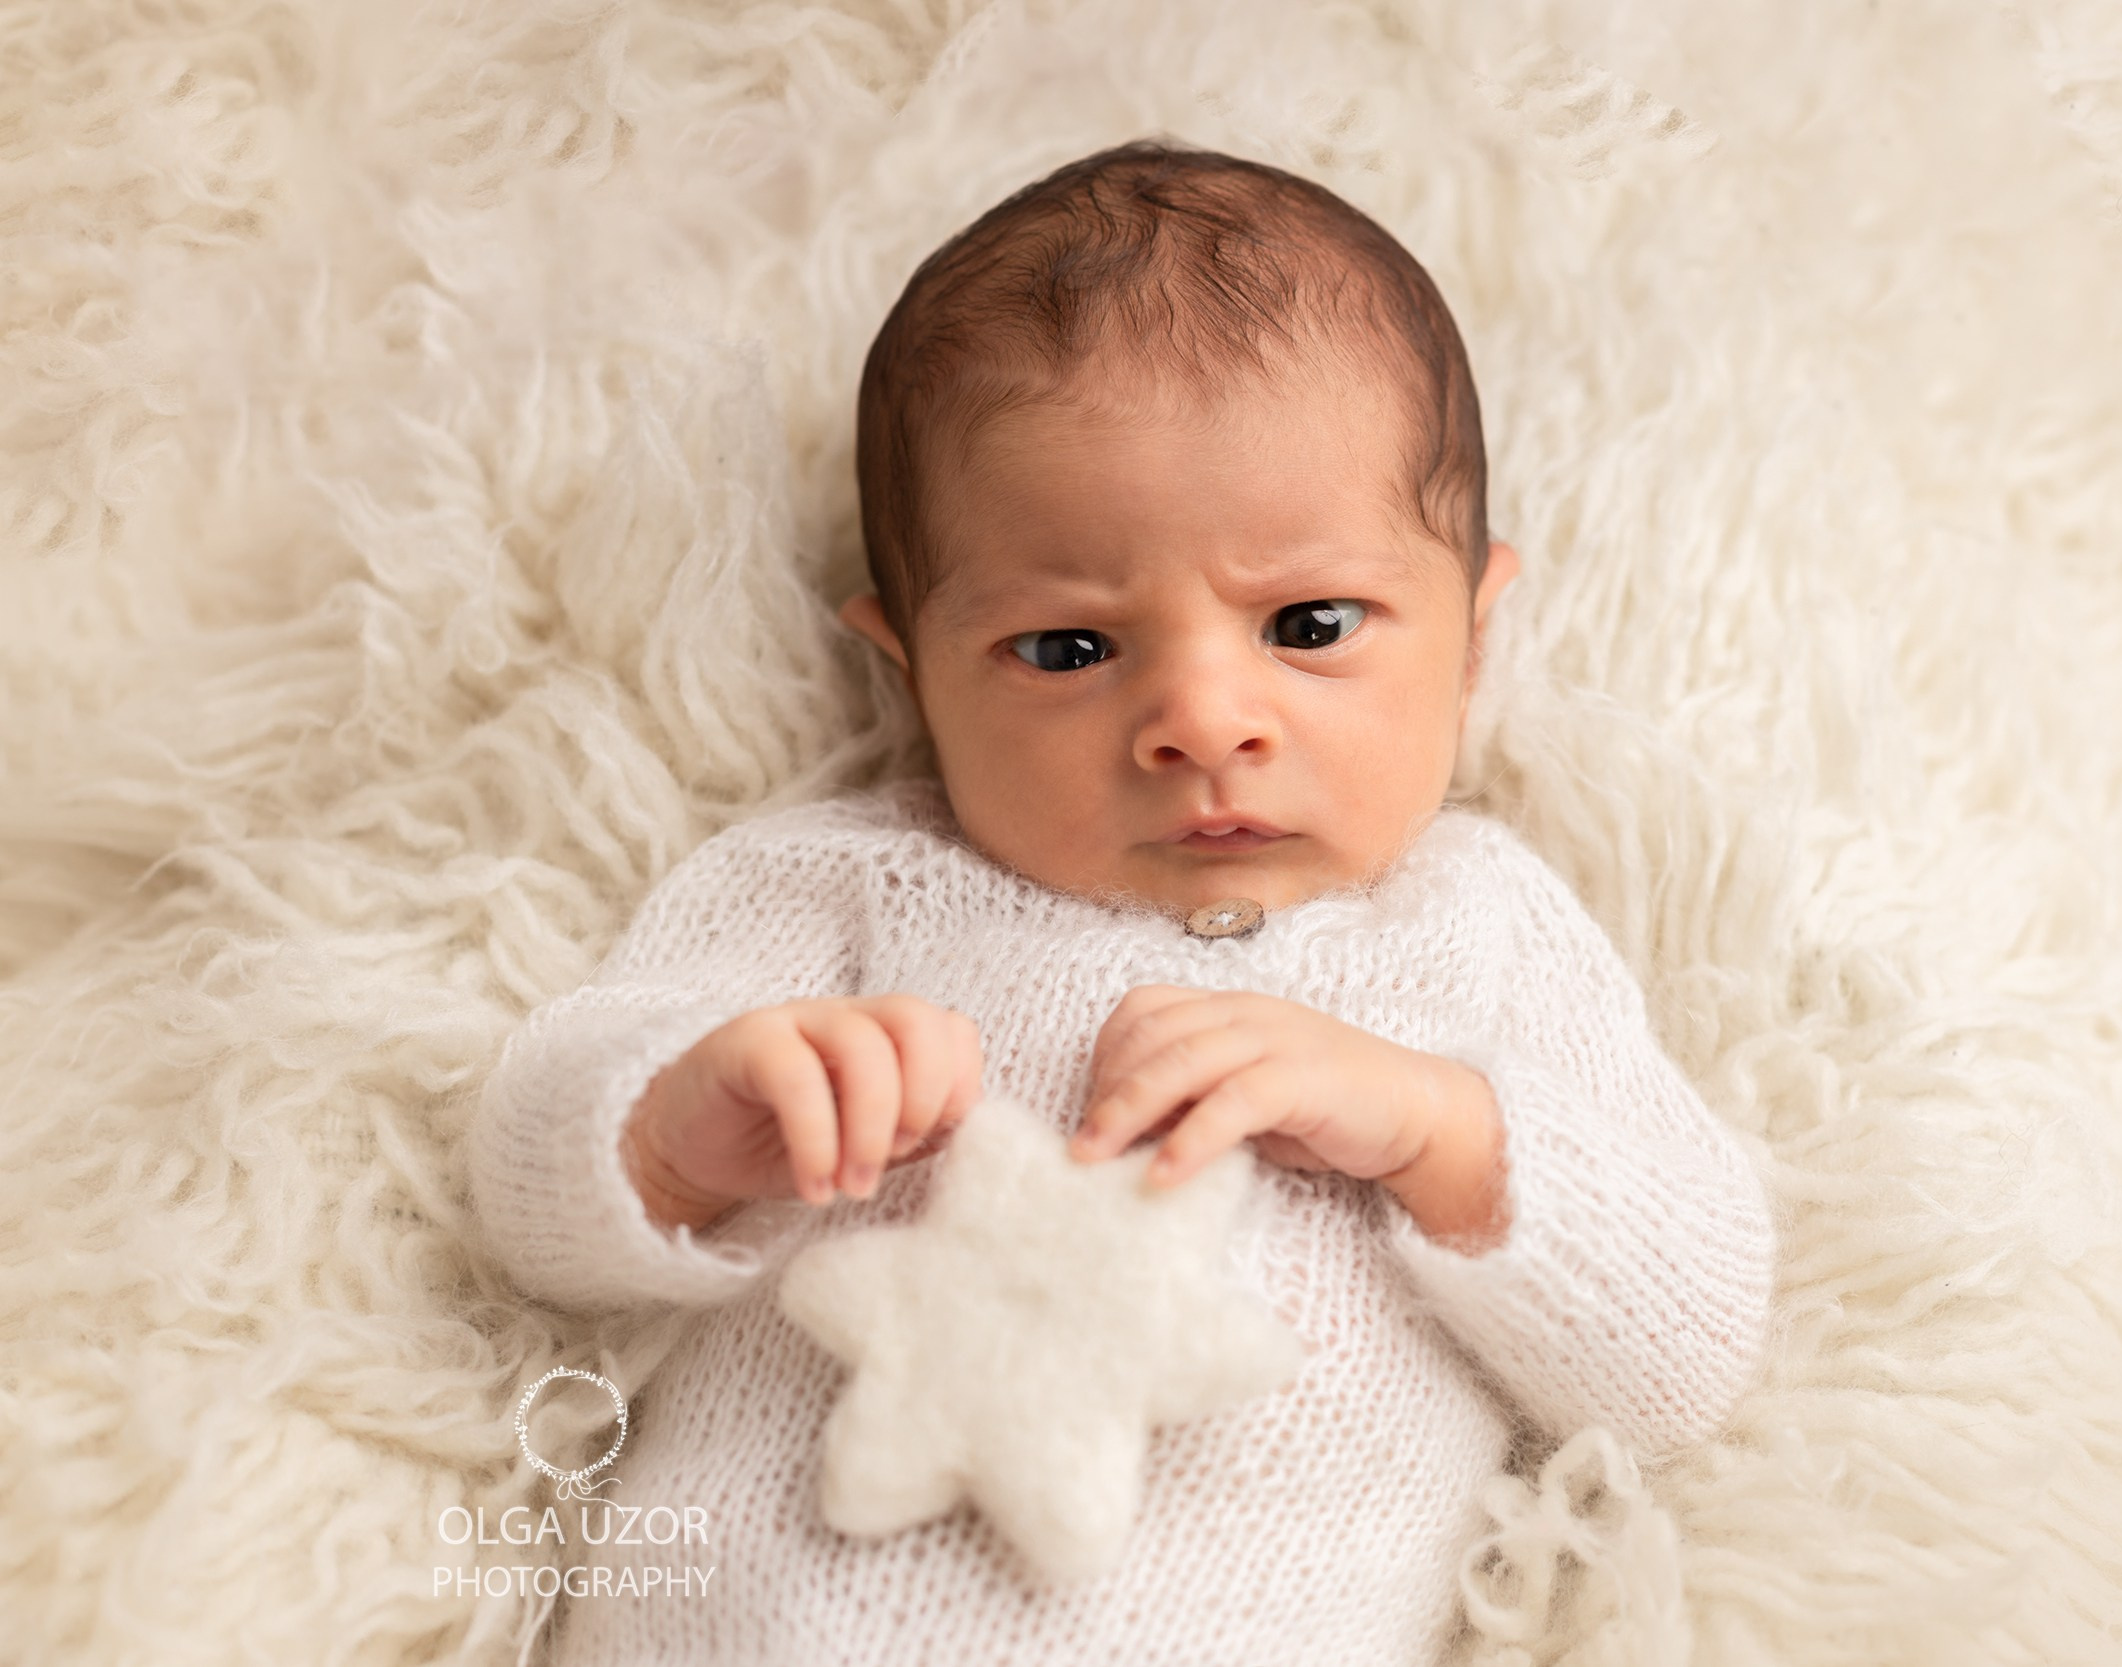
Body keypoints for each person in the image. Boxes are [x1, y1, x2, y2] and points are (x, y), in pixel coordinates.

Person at [465, 135, 1777, 1667]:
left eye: (1309, 623)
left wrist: (1442, 1134)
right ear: (913, 667)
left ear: (1474, 635)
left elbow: (1689, 1354)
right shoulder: (839, 886)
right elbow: (525, 1190)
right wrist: (678, 1124)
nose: (1204, 720)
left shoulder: (1480, 931)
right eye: (1072, 650)